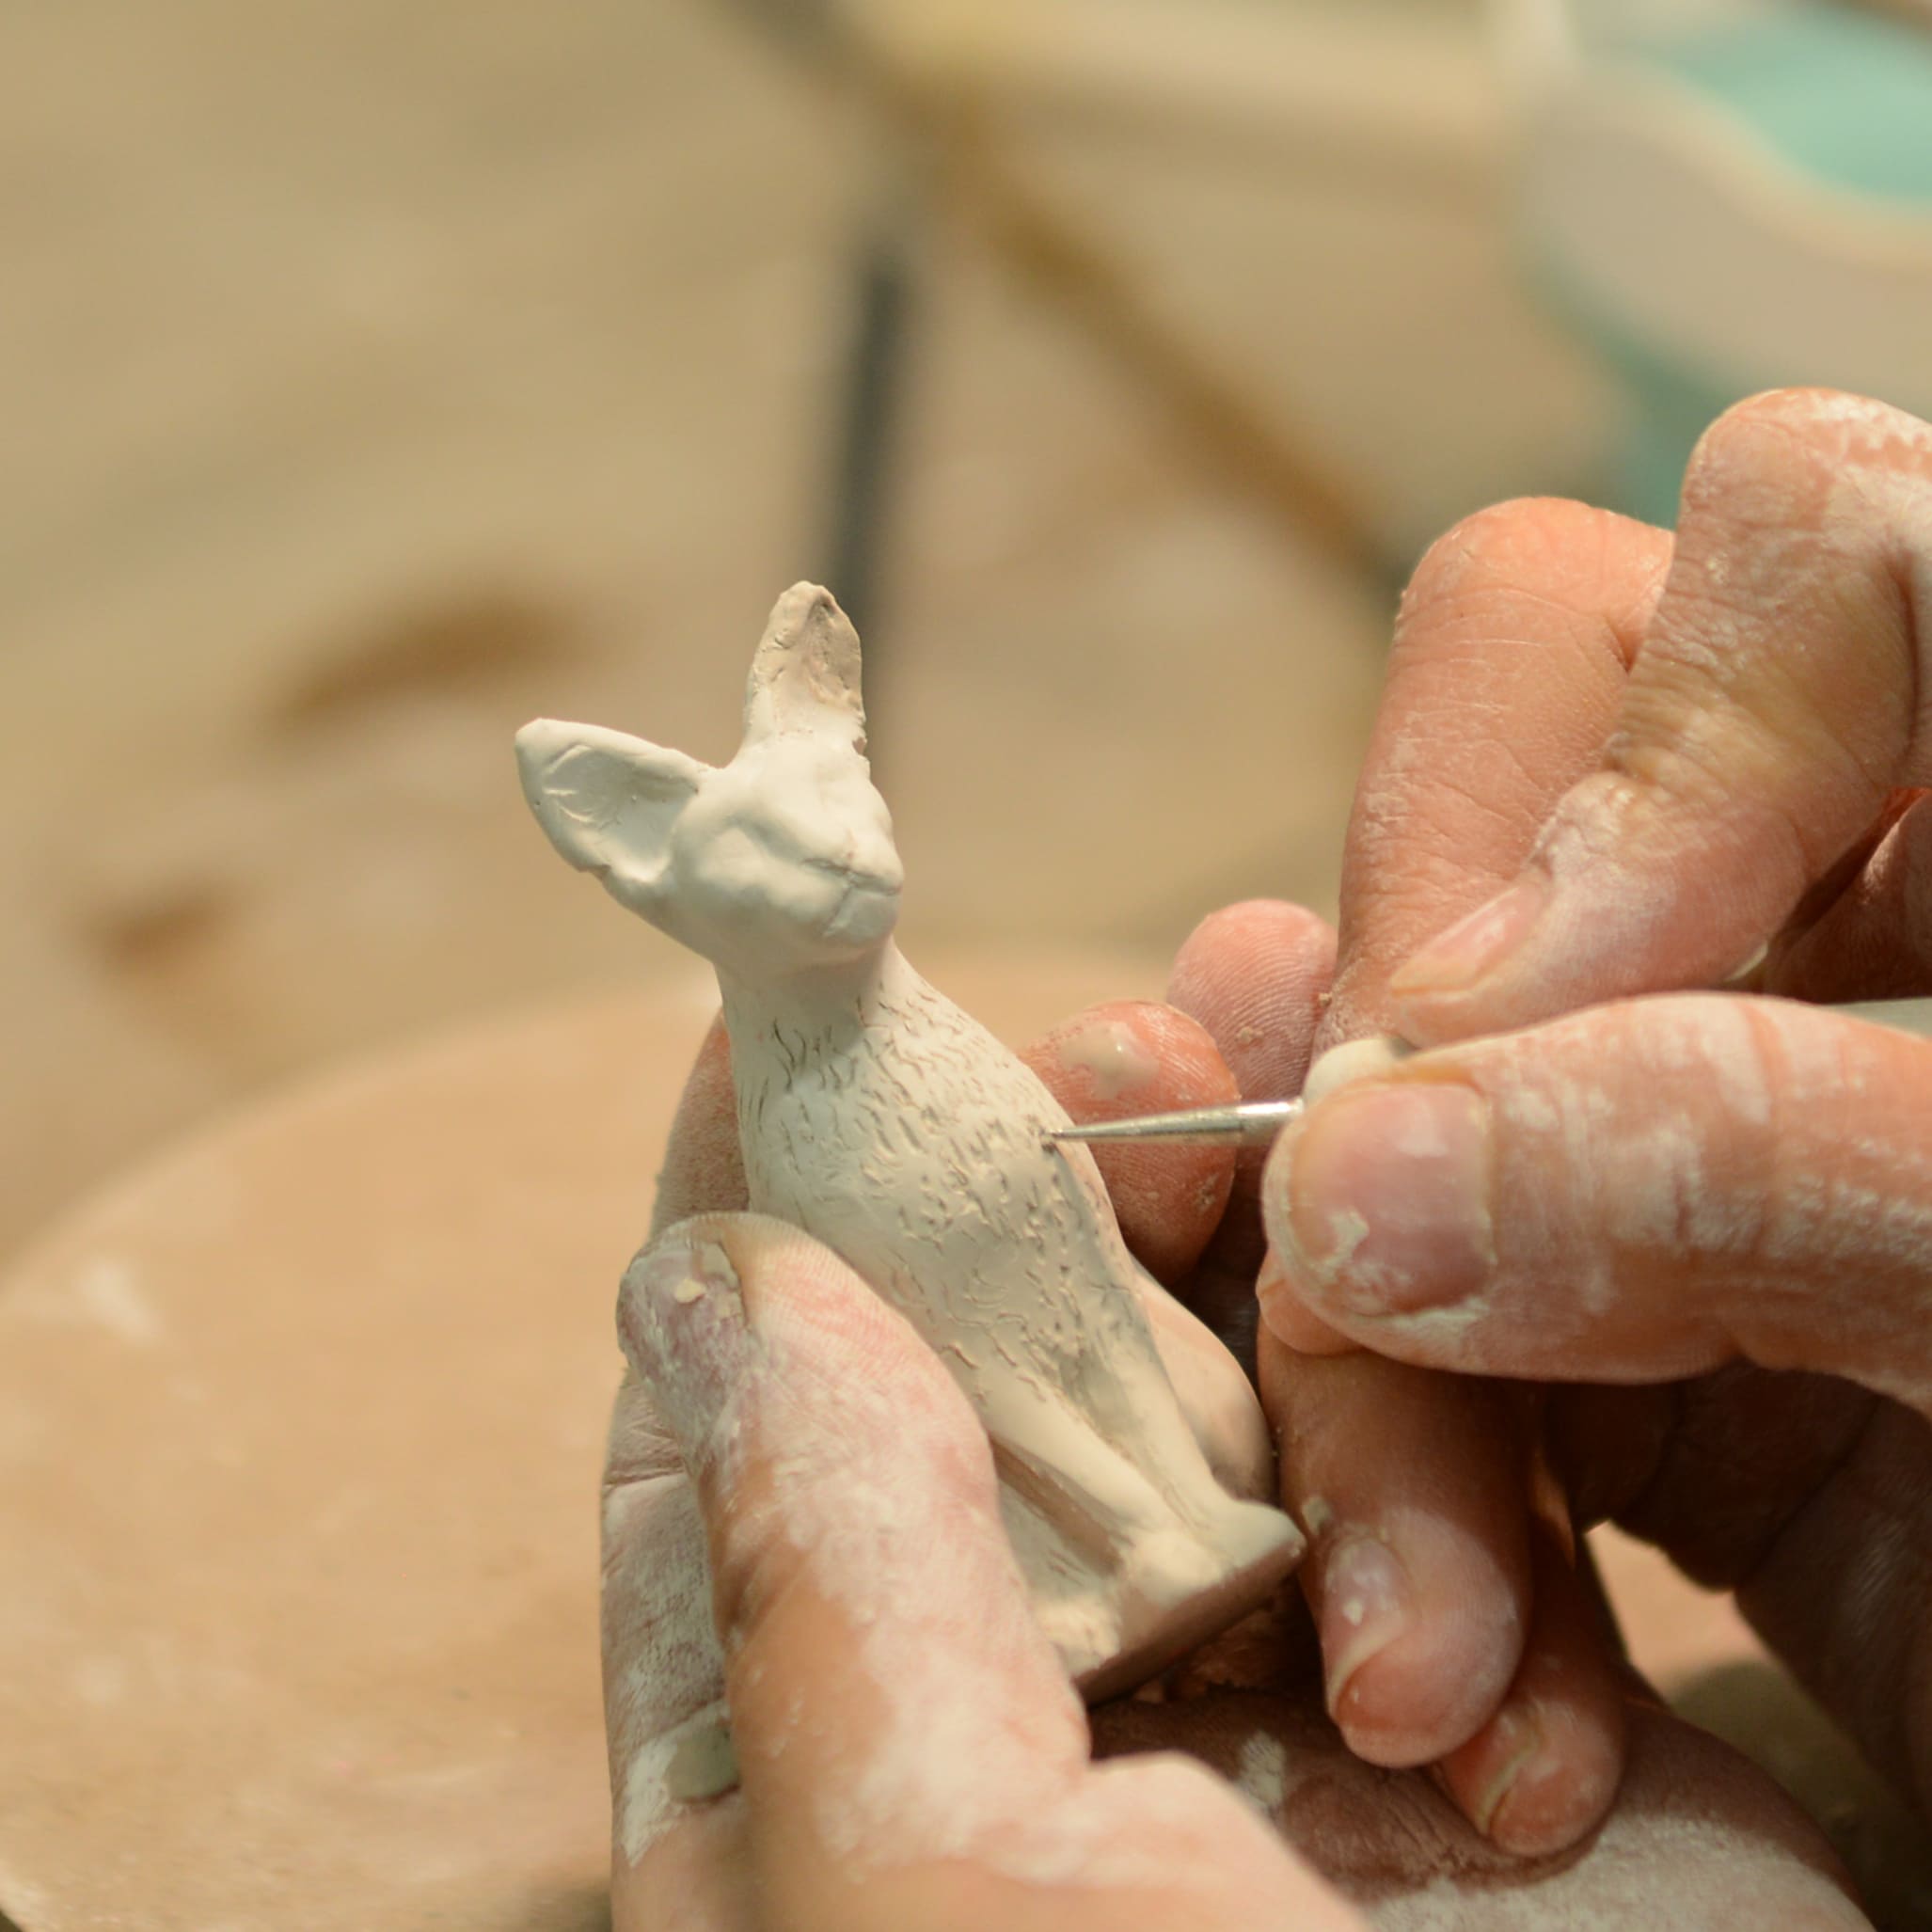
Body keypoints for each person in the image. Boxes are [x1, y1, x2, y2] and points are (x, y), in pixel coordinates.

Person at [600, 388, 1929, 1927]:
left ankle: (1163, 1523)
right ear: (646, 863)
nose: (835, 860)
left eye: (835, 810)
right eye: (774, 852)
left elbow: (1076, 1291)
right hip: (1063, 1534)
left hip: (1182, 1494)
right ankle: (1119, 1545)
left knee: (1157, 1325)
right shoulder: (809, 1096)